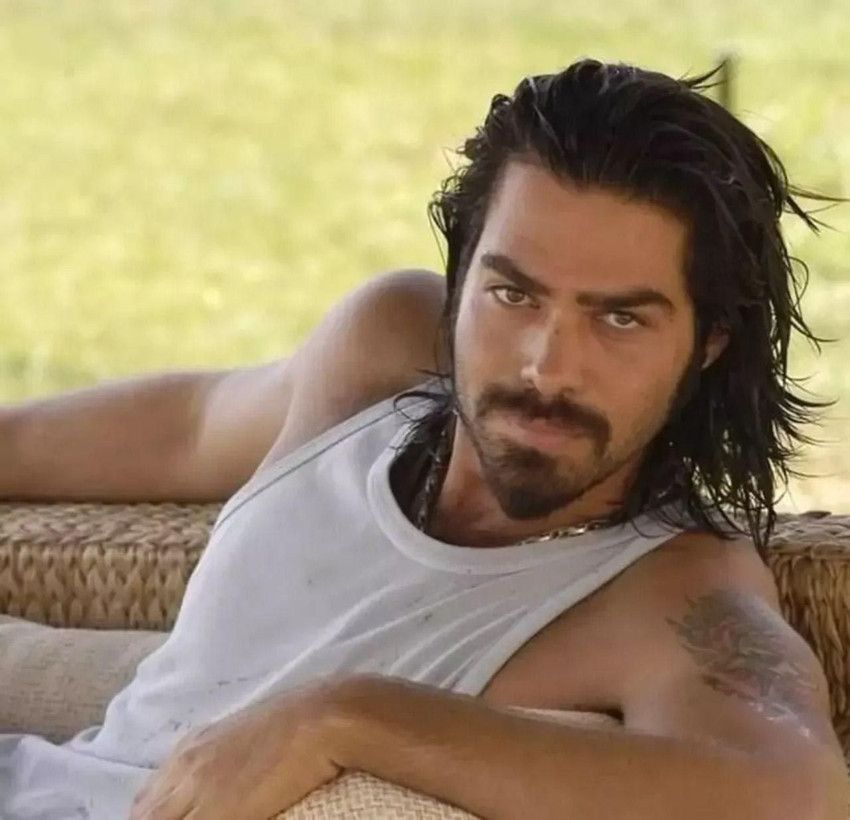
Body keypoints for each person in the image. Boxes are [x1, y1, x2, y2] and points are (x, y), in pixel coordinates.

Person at [0, 58, 847, 819]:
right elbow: (190, 428)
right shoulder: (386, 353)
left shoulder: (669, 585)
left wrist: (347, 716)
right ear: (461, 271)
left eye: (619, 319)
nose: (547, 367)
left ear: (708, 342)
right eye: (513, 295)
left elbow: (792, 795)